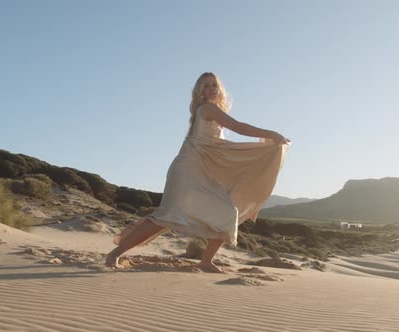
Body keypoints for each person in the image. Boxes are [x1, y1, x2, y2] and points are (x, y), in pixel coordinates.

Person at [106, 72, 290, 273]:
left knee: (227, 212)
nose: (211, 89)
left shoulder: (208, 110)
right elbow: (237, 127)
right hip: (186, 172)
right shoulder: (208, 109)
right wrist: (270, 134)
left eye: (214, 85)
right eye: (206, 86)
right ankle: (115, 253)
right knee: (165, 217)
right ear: (200, 91)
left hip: (200, 173)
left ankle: (205, 261)